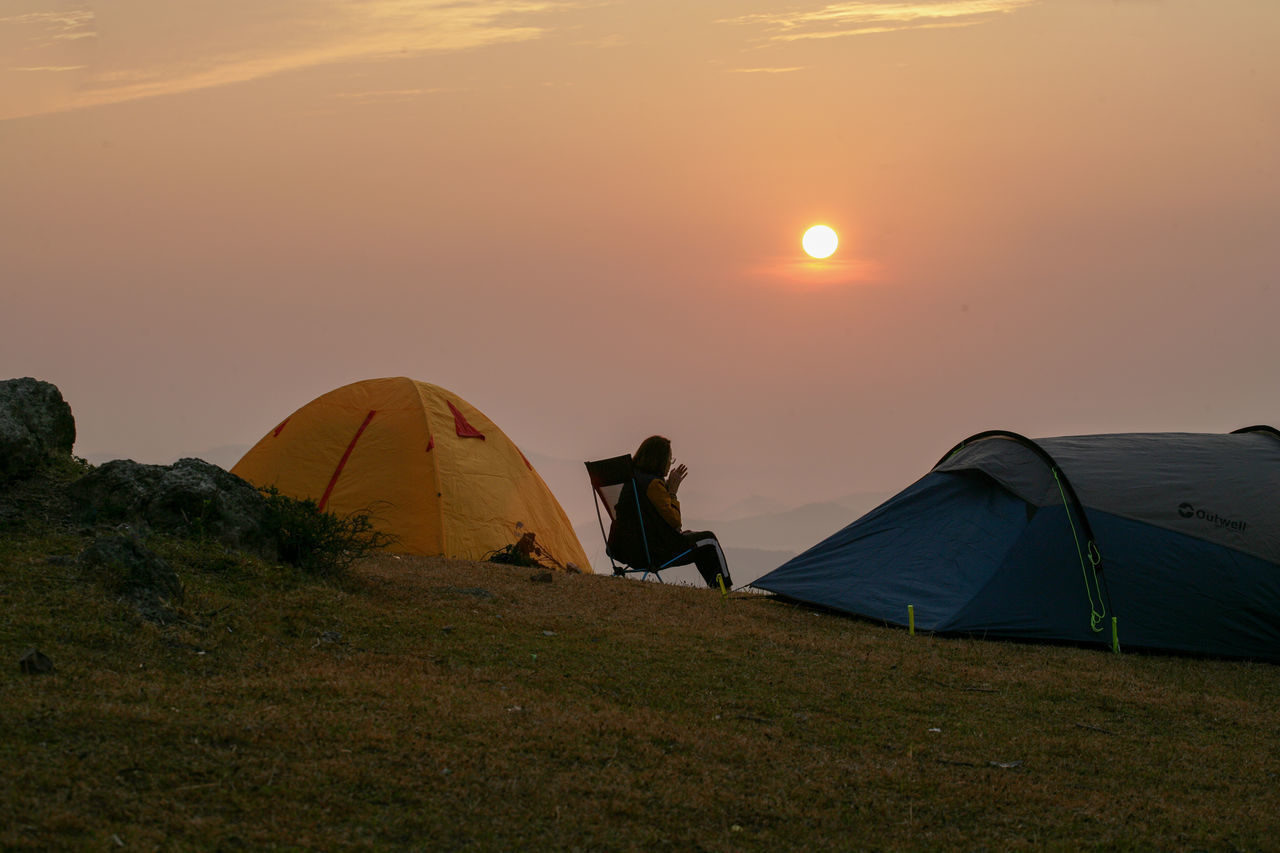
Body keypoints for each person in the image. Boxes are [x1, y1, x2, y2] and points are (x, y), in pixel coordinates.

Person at [607, 435, 732, 590]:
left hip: (623, 548)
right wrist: (672, 492)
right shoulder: (653, 484)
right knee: (709, 540)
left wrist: (664, 491)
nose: (669, 464)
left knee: (695, 539)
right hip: (651, 553)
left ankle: (717, 589)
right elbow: (675, 521)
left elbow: (646, 517)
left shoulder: (632, 480)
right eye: (669, 459)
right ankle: (725, 589)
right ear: (659, 460)